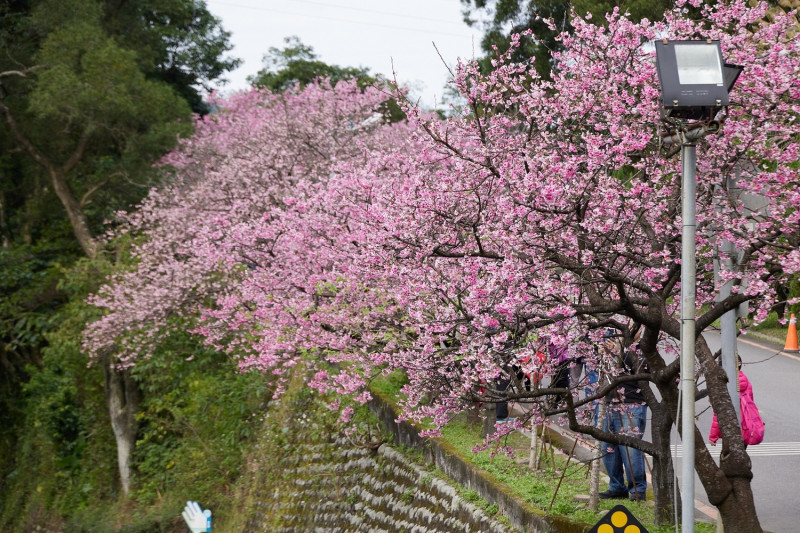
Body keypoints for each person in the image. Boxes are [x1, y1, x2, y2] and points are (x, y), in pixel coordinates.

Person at [598, 328, 648, 502]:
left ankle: (637, 490)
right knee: (607, 448)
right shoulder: (613, 345)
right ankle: (616, 486)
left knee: (630, 450)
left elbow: (641, 369)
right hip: (609, 402)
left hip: (632, 404)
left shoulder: (642, 348)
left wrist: (619, 353)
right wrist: (605, 355)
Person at [708, 356, 755, 447]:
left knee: (730, 459)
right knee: (741, 456)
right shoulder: (746, 382)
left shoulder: (724, 386)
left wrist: (713, 436)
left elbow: (718, 414)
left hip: (730, 430)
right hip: (745, 428)